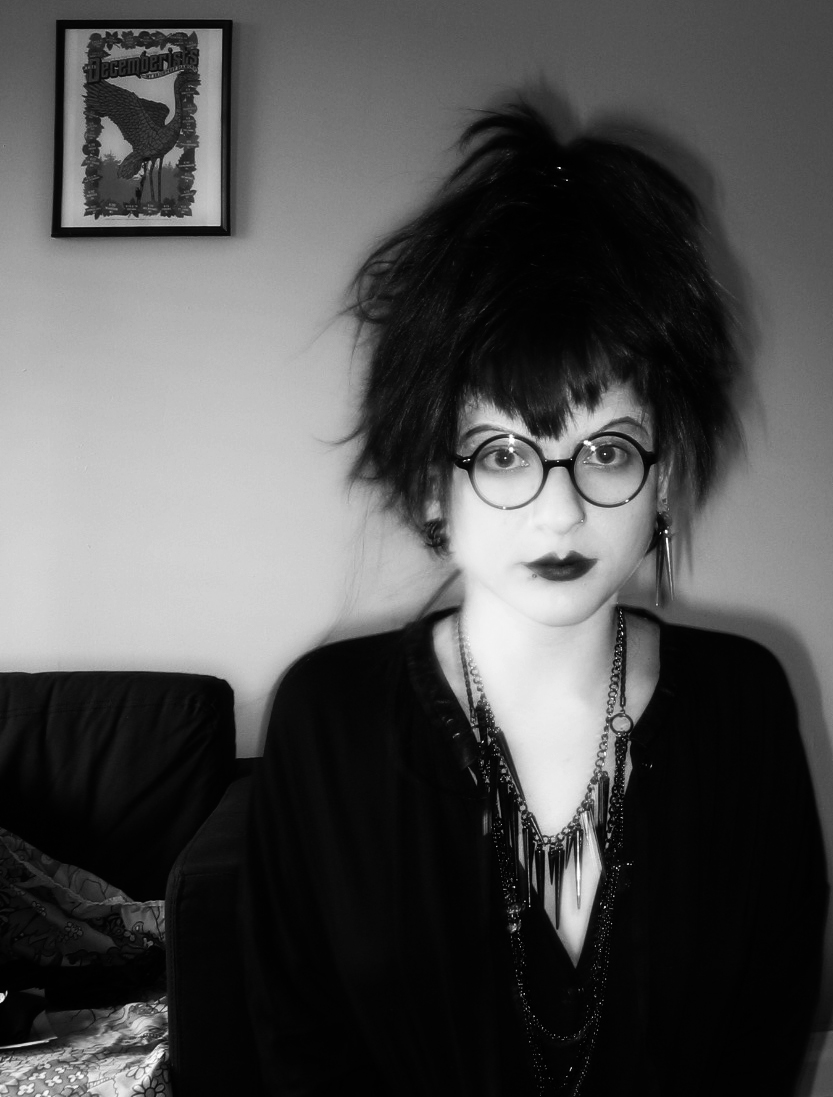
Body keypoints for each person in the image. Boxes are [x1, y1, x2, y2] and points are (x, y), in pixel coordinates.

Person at [241, 102, 826, 1096]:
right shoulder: (324, 720)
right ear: (432, 481)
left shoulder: (744, 706)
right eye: (503, 453)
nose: (560, 510)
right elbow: (295, 1051)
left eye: (608, 450)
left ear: (662, 477)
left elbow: (766, 1036)